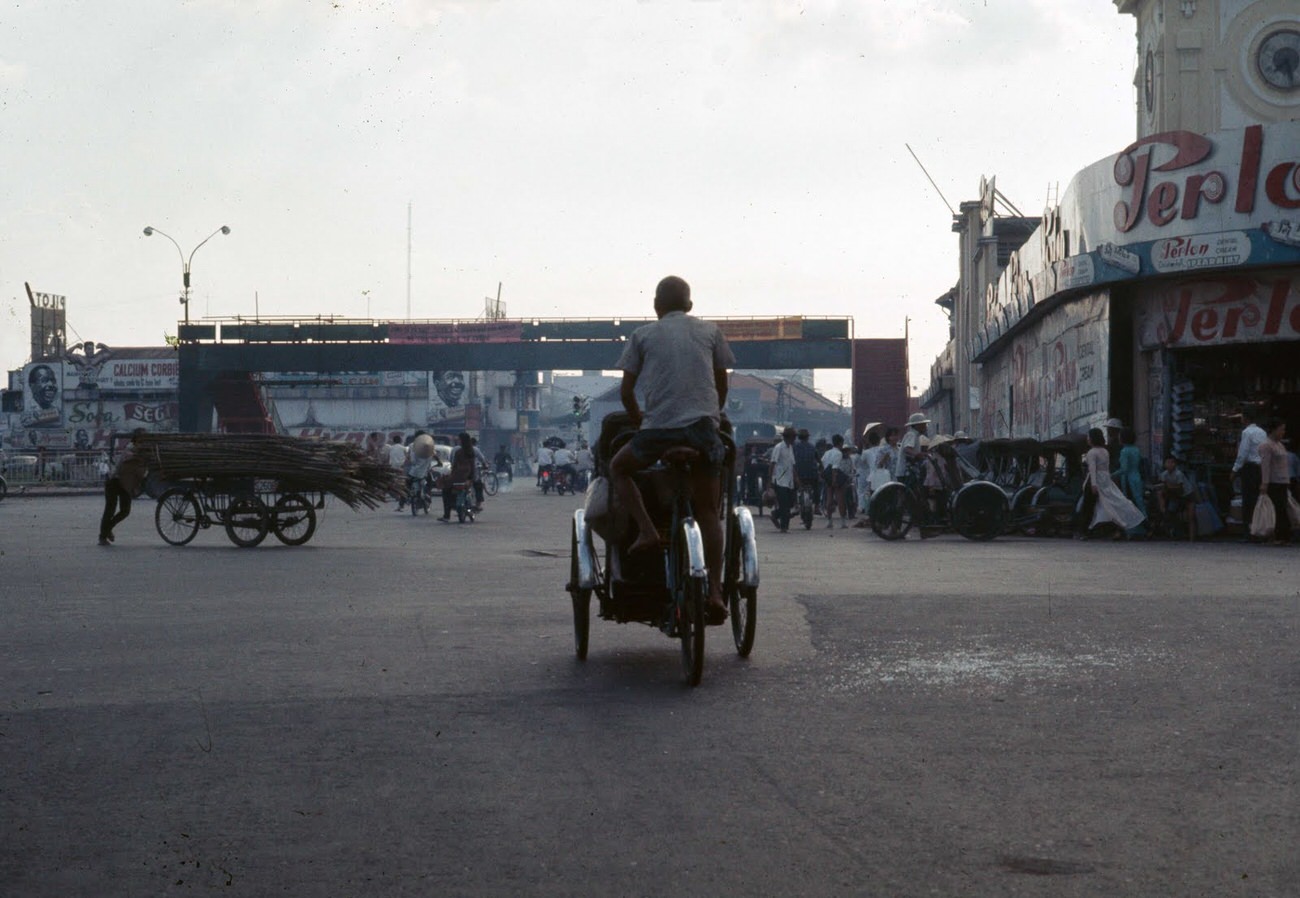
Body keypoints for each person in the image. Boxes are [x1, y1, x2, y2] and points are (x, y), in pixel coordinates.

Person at [608, 275, 735, 625]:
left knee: (618, 468)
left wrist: (642, 424)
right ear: (690, 305)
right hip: (702, 432)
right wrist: (712, 415)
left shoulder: (643, 335)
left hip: (657, 432)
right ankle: (714, 591)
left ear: (655, 306)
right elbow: (722, 382)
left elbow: (626, 392)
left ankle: (648, 531)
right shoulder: (710, 332)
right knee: (709, 511)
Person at [1079, 427, 1145, 539]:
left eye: (1088, 437)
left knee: (1088, 506)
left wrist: (1093, 484)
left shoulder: (1092, 452)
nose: (1087, 439)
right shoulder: (1105, 451)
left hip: (1095, 481)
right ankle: (1118, 528)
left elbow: (1092, 469)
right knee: (1113, 502)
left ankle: (1086, 531)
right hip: (1106, 480)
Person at [98, 429, 149, 546]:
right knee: (110, 510)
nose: (144, 442)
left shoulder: (139, 453)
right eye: (142, 440)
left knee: (125, 511)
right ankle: (102, 536)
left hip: (125, 484)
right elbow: (131, 463)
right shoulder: (130, 450)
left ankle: (107, 529)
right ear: (136, 440)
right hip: (115, 482)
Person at [1232, 409, 1266, 537]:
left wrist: (1234, 470)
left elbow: (1243, 454)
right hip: (1259, 468)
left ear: (1245, 418)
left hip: (1249, 468)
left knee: (1248, 499)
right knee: (1257, 499)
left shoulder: (1246, 432)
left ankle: (1248, 530)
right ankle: (1258, 528)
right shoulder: (1262, 432)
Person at [1258, 418, 1292, 547]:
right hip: (1273, 481)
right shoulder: (1266, 445)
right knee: (1276, 509)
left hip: (1282, 481)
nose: (1283, 432)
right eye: (1281, 429)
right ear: (1274, 430)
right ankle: (1277, 535)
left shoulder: (1279, 444)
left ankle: (1284, 535)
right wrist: (1265, 483)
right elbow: (1265, 465)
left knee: (1283, 508)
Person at [1115, 427, 1148, 537]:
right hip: (1137, 477)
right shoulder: (1136, 449)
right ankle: (1146, 526)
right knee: (1139, 502)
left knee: (1129, 503)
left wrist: (1111, 475)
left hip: (1128, 479)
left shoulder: (1124, 451)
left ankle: (1137, 529)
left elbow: (1124, 469)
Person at [440, 431, 479, 521]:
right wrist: (471, 478)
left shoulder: (458, 452)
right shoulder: (471, 451)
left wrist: (451, 475)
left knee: (445, 491)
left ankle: (447, 514)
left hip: (457, 477)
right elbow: (472, 466)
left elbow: (454, 465)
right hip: (468, 477)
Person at [1155, 455, 1196, 540]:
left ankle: (1192, 538)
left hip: (1187, 495)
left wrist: (1169, 486)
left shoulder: (1178, 474)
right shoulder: (1164, 474)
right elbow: (1163, 487)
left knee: (1190, 517)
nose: (1170, 464)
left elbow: (1180, 488)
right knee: (1171, 512)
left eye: (1172, 462)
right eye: (1168, 462)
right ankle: (1176, 534)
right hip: (1176, 497)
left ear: (1175, 464)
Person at [769, 427, 797, 532]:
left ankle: (775, 514)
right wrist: (770, 482)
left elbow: (792, 465)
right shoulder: (779, 447)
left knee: (789, 503)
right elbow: (772, 463)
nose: (795, 439)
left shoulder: (790, 448)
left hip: (789, 480)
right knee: (784, 504)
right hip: (780, 480)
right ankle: (784, 527)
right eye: (794, 437)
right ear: (789, 437)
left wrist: (796, 479)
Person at [820, 434, 851, 528]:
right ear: (841, 443)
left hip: (827, 476)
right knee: (840, 499)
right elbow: (835, 468)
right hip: (835, 477)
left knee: (829, 499)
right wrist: (834, 480)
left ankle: (829, 521)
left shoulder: (827, 452)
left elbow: (822, 463)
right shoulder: (838, 453)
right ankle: (843, 522)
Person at [895, 413, 929, 479]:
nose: (925, 426)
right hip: (906, 472)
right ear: (917, 425)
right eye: (923, 424)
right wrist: (918, 454)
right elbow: (907, 449)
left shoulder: (916, 435)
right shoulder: (911, 434)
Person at [792, 429, 819, 511]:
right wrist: (821, 468)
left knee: (793, 487)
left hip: (798, 474)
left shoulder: (794, 447)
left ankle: (795, 505)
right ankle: (817, 507)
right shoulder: (812, 447)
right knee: (817, 487)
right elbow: (818, 459)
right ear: (807, 438)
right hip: (812, 474)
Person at [387, 433, 409, 510]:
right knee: (403, 484)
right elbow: (407, 458)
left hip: (393, 468)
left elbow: (388, 458)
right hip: (401, 468)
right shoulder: (404, 448)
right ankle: (403, 498)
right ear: (400, 440)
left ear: (393, 441)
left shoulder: (391, 448)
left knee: (393, 484)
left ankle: (399, 497)